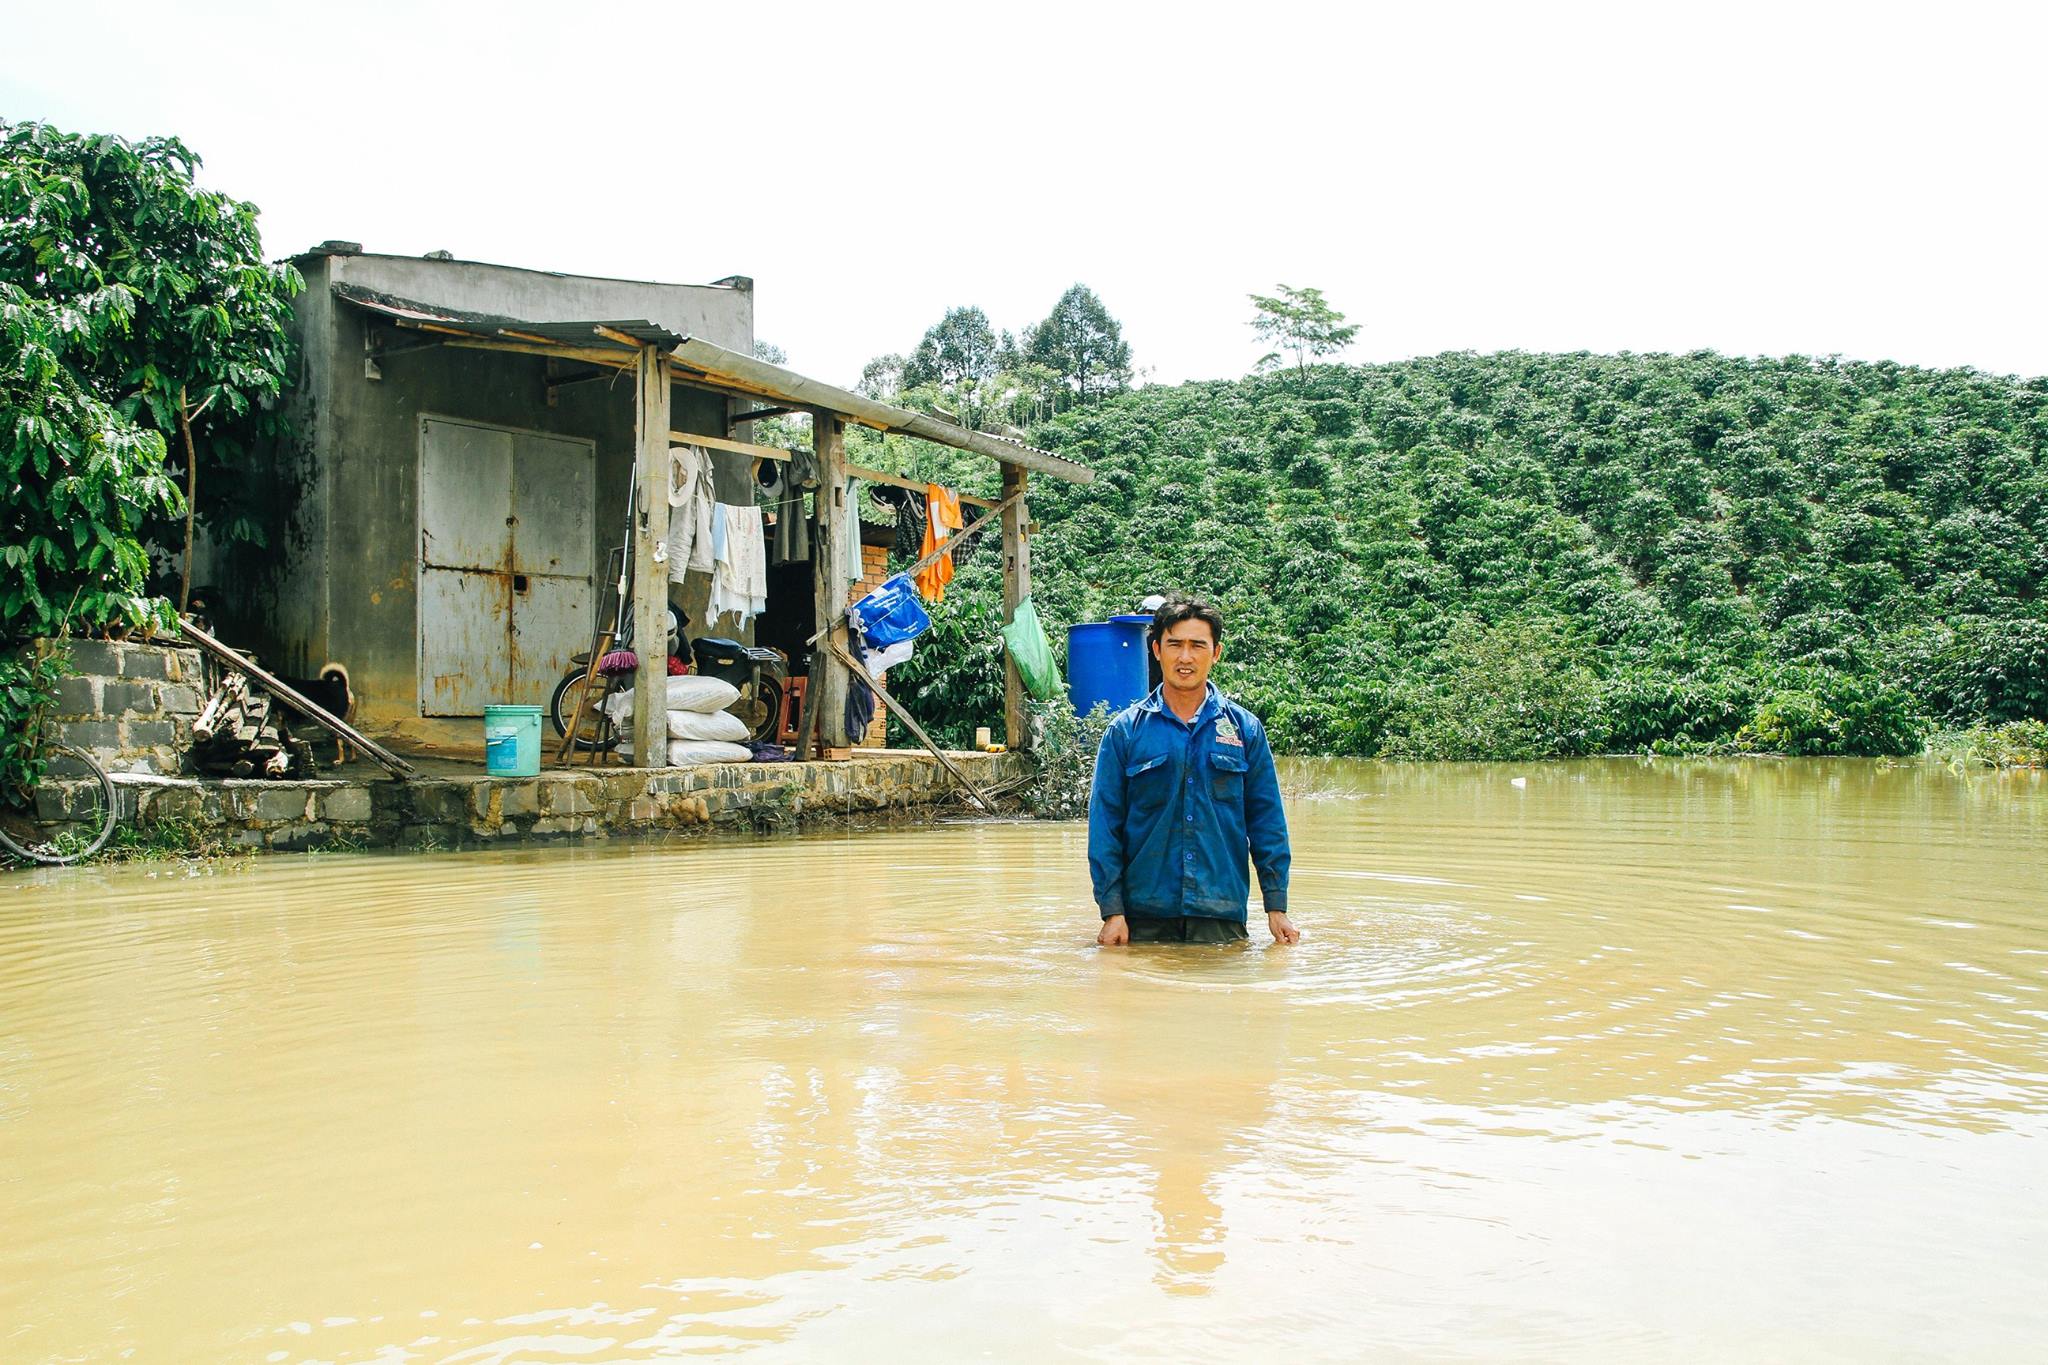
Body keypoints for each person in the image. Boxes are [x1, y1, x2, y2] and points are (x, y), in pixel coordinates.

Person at [1087, 594, 1298, 946]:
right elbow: (1106, 825)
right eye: (1175, 645)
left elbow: (1267, 821)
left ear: (1216, 653)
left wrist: (1276, 907)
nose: (1185, 657)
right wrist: (1112, 912)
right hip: (1143, 917)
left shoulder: (1244, 729)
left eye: (1197, 645)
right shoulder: (1125, 731)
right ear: (1157, 650)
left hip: (1221, 913)